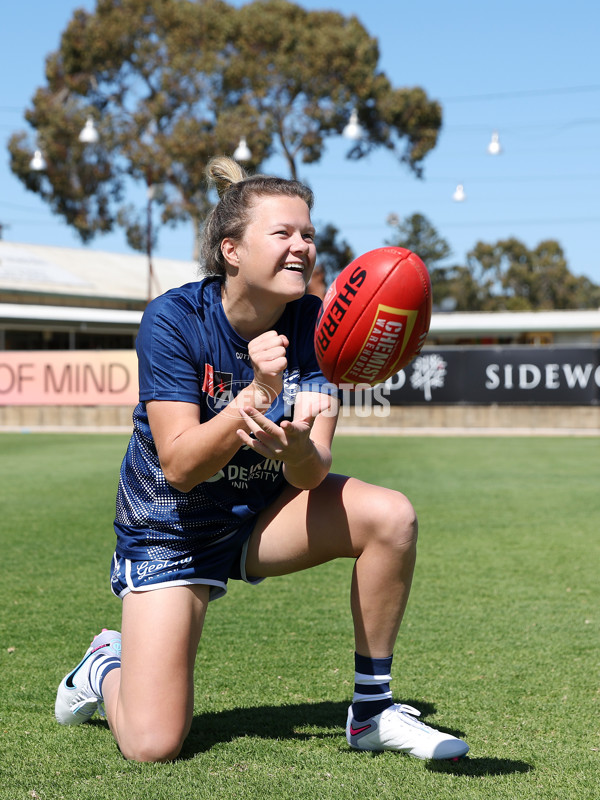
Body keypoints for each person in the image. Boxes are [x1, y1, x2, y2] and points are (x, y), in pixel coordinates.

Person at [54, 156, 469, 764]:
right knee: (151, 743)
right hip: (173, 527)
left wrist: (298, 450)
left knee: (392, 518)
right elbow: (179, 465)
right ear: (232, 250)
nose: (301, 245)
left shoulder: (322, 326)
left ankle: (373, 712)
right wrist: (256, 393)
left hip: (262, 517)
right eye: (283, 234)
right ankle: (105, 663)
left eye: (308, 234)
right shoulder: (173, 320)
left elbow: (313, 470)